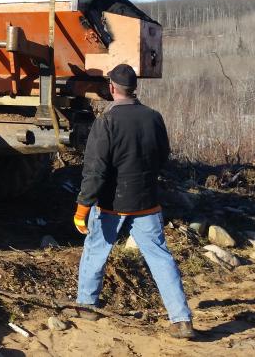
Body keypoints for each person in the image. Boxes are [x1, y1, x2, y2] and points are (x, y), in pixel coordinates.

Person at [72, 63, 194, 339]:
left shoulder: (106, 122)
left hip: (111, 203)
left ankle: (86, 305)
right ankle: (182, 319)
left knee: (95, 251)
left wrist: (82, 208)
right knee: (160, 257)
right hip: (147, 200)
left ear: (112, 88)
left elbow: (96, 170)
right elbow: (162, 156)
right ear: (133, 88)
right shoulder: (154, 117)